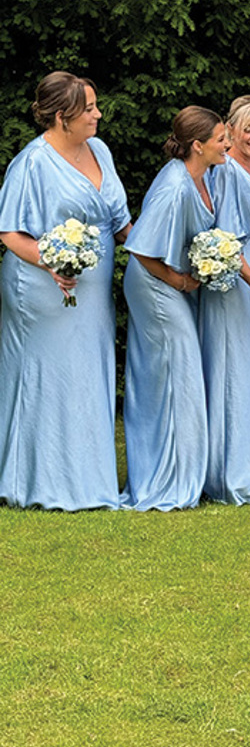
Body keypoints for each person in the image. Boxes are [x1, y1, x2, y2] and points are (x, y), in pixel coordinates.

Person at [0, 72, 131, 510]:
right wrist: (52, 262)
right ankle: (37, 482)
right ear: (62, 116)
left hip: (92, 290)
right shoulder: (32, 163)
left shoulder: (101, 150)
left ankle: (86, 480)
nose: (97, 114)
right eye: (88, 108)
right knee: (50, 377)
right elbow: (10, 233)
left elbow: (118, 219)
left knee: (87, 373)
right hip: (41, 288)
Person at [122, 106, 227, 511]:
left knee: (178, 374)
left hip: (169, 282)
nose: (228, 144)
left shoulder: (205, 175)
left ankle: (181, 472)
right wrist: (182, 281)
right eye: (221, 139)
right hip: (155, 284)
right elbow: (143, 251)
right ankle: (168, 482)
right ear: (197, 146)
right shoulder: (174, 187)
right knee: (175, 374)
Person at [199, 95, 250, 505]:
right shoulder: (227, 171)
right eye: (249, 129)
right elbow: (225, 239)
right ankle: (231, 475)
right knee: (232, 368)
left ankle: (249, 468)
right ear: (232, 131)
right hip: (236, 279)